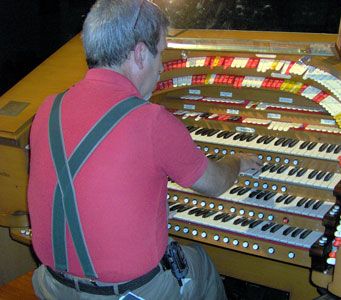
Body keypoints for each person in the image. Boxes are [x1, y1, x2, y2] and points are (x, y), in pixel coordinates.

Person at [27, 0, 263, 299]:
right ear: (139, 54)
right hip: (129, 294)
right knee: (200, 260)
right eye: (160, 52)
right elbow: (215, 183)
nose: (162, 65)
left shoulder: (47, 108)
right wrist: (236, 162)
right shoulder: (152, 120)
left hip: (52, 285)